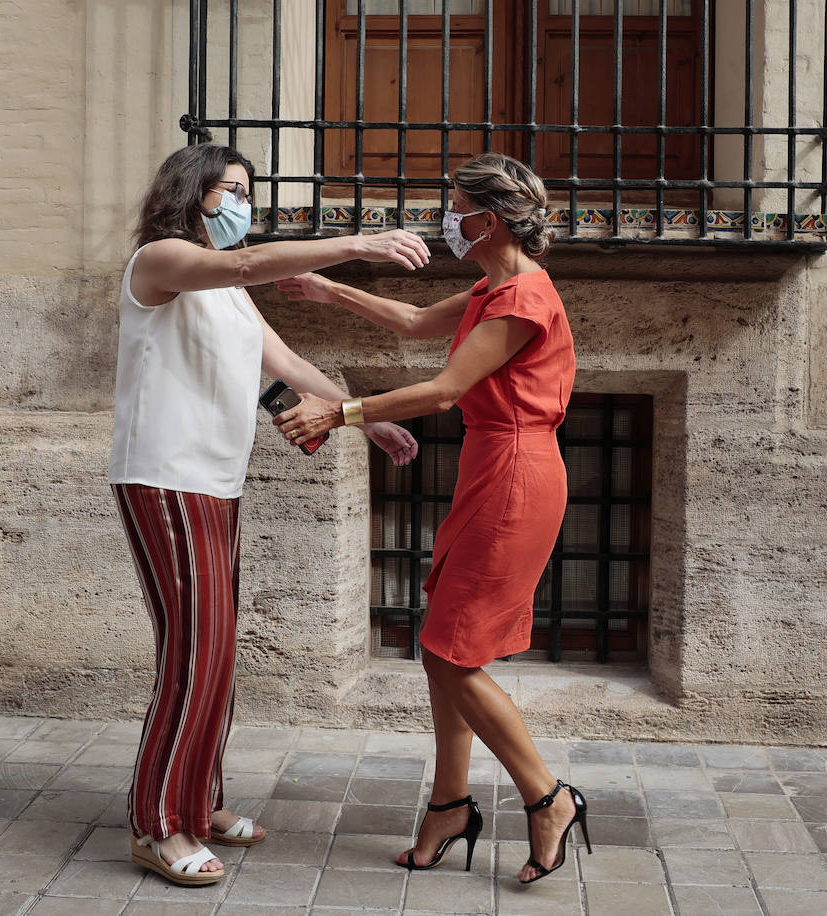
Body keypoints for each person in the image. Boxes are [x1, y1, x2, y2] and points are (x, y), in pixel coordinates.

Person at [113, 143, 426, 886]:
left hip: (216, 483)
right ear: (191, 194)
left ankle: (203, 797)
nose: (244, 205)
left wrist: (361, 418)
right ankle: (159, 823)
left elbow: (283, 366)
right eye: (232, 190)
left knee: (215, 653)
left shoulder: (230, 290)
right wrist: (356, 242)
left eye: (250, 192)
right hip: (165, 479)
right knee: (196, 653)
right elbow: (247, 263)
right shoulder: (160, 261)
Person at [274, 152, 590, 885]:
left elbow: (446, 389)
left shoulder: (522, 299)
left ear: (487, 219)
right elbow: (416, 320)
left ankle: (548, 797)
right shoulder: (496, 287)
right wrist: (328, 292)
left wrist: (340, 410)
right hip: (495, 467)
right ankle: (450, 804)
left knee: (453, 651)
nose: (445, 220)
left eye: (454, 209)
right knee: (441, 642)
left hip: (516, 470)